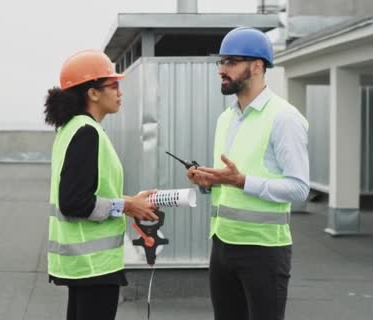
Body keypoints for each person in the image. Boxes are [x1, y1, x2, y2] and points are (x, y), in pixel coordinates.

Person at [187, 27, 310, 320]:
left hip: (264, 251)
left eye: (231, 62)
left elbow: (299, 189)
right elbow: (229, 180)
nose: (222, 70)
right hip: (222, 246)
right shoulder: (226, 118)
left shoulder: (284, 118)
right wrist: (209, 182)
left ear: (257, 66)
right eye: (221, 62)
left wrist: (242, 181)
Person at [44, 50, 159, 320]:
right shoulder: (86, 133)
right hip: (93, 266)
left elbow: (89, 192)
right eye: (114, 86)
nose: (120, 92)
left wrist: (130, 203)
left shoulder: (72, 128)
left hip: (84, 265)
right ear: (93, 93)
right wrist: (127, 204)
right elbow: (73, 202)